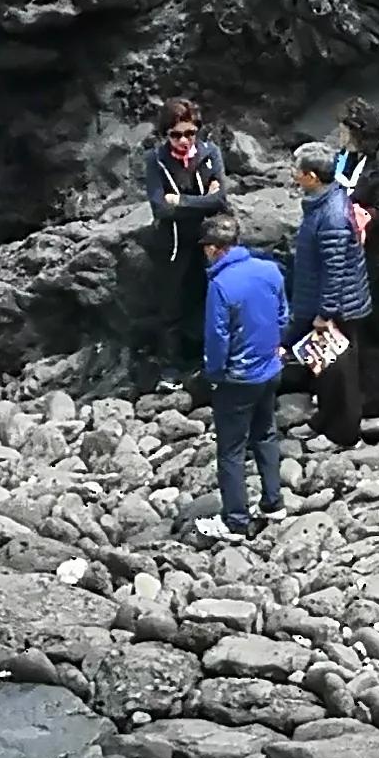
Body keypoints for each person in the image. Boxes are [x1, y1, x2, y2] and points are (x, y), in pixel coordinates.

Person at [198, 225, 288, 537]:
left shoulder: (221, 285)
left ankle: (235, 520)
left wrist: (214, 375)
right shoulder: (270, 270)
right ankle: (273, 504)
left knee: (231, 450)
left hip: (238, 377)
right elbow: (282, 316)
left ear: (213, 248)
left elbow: (217, 338)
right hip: (270, 368)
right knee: (265, 434)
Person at [138, 98, 233, 377]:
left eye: (190, 133)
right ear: (165, 134)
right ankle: (170, 369)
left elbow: (221, 198)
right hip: (173, 244)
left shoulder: (210, 152)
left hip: (208, 241)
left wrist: (180, 201)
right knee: (171, 308)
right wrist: (203, 200)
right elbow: (160, 207)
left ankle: (212, 362)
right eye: (176, 134)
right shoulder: (155, 159)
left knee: (213, 300)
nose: (184, 140)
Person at [287, 139, 373, 447]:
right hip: (331, 301)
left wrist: (325, 313)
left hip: (339, 307)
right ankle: (325, 418)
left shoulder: (332, 215)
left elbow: (334, 270)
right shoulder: (325, 202)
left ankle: (345, 433)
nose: (292, 174)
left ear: (311, 176)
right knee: (324, 367)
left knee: (341, 372)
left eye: (296, 169)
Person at [334, 98, 379, 313]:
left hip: (372, 246)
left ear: (358, 133)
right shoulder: (350, 153)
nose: (340, 137)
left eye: (344, 132)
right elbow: (339, 173)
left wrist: (359, 215)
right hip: (344, 230)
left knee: (359, 296)